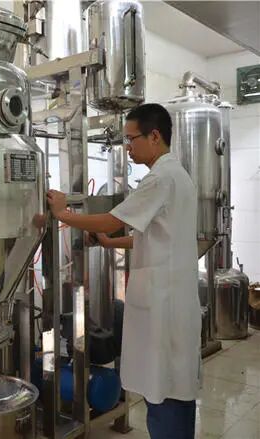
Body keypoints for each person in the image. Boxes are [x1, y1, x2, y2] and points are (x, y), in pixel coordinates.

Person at [47, 103, 201, 439]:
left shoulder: (160, 178)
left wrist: (62, 213)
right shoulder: (178, 176)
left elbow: (110, 219)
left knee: (165, 395)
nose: (127, 147)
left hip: (164, 308)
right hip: (174, 304)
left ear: (154, 136)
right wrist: (108, 243)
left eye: (131, 139)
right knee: (173, 391)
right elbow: (152, 237)